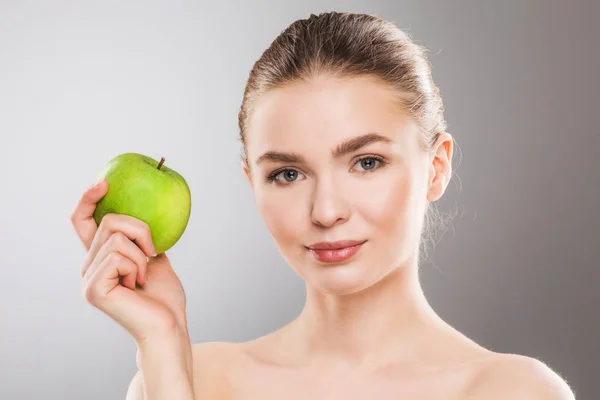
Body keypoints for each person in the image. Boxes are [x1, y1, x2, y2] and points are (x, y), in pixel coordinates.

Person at [71, 11, 575, 399]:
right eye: (287, 174)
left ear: (436, 166)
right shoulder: (188, 378)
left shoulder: (516, 392)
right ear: (253, 183)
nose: (326, 211)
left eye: (367, 162)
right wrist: (161, 342)